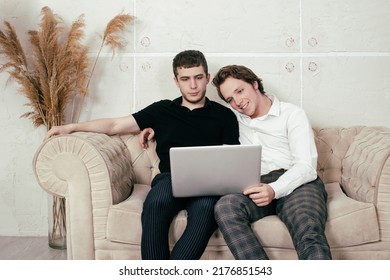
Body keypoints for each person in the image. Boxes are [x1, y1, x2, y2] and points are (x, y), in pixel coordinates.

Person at [45, 50, 239, 260]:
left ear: (207, 78)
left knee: (205, 210)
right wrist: (71, 127)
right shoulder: (162, 110)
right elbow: (114, 125)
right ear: (176, 81)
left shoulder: (224, 115)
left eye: (198, 78)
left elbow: (231, 159)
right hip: (169, 179)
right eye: (185, 79)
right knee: (155, 205)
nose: (193, 85)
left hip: (207, 185)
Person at [210, 65, 332, 260]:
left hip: (297, 182)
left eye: (240, 91)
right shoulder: (233, 119)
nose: (238, 102)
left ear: (255, 84)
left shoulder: (292, 114)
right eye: (230, 100)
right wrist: (153, 127)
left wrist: (274, 189)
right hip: (256, 184)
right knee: (225, 207)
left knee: (306, 225)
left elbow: (306, 167)